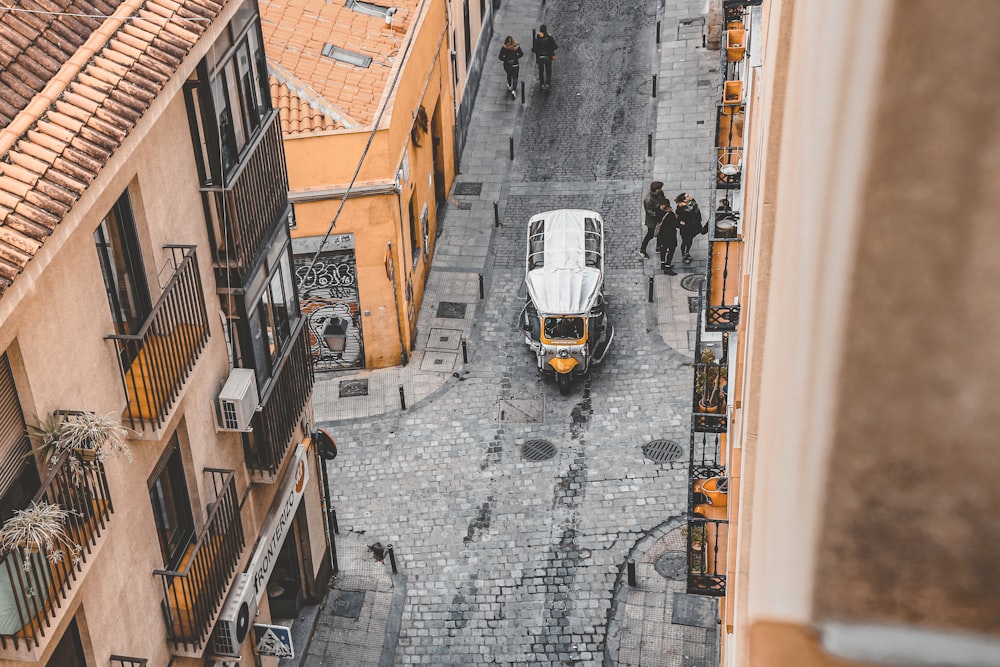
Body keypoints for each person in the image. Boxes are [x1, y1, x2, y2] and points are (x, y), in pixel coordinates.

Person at [640, 181, 670, 259]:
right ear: (656, 189)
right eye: (660, 188)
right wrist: (659, 209)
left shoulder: (660, 193)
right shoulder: (648, 199)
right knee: (650, 235)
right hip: (652, 220)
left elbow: (663, 200)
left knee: (661, 231)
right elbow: (649, 212)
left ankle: (658, 247)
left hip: (660, 216)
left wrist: (664, 206)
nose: (661, 190)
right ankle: (642, 250)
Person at [675, 193, 703, 263]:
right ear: (684, 200)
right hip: (686, 228)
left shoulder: (693, 202)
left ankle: (687, 252)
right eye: (687, 196)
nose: (690, 196)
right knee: (685, 241)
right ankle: (684, 255)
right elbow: (680, 218)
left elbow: (696, 212)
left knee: (690, 240)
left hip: (694, 226)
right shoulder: (681, 209)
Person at [532, 24, 558, 90]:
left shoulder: (538, 39)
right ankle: (547, 84)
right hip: (548, 57)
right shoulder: (549, 38)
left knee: (541, 71)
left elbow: (534, 49)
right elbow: (555, 46)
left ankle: (542, 84)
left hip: (540, 57)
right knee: (548, 71)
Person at [656, 200, 679, 274]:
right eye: (669, 207)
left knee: (663, 249)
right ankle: (668, 267)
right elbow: (676, 225)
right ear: (667, 208)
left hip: (662, 235)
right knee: (671, 250)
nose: (671, 208)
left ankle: (663, 264)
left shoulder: (659, 212)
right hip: (670, 236)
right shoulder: (671, 215)